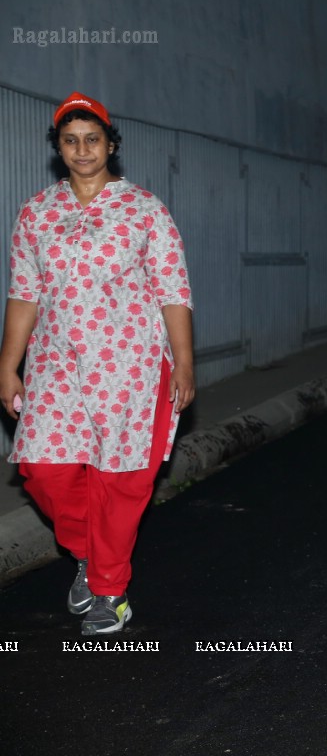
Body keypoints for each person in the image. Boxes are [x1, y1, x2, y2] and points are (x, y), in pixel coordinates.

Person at [1, 91, 195, 635]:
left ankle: (111, 588)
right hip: (56, 362)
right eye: (71, 140)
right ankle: (89, 551)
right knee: (44, 468)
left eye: (92, 139)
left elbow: (172, 290)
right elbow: (23, 293)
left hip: (130, 363)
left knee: (122, 477)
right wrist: (7, 364)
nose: (82, 149)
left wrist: (183, 363)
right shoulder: (38, 212)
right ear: (58, 148)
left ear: (111, 144)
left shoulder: (145, 210)